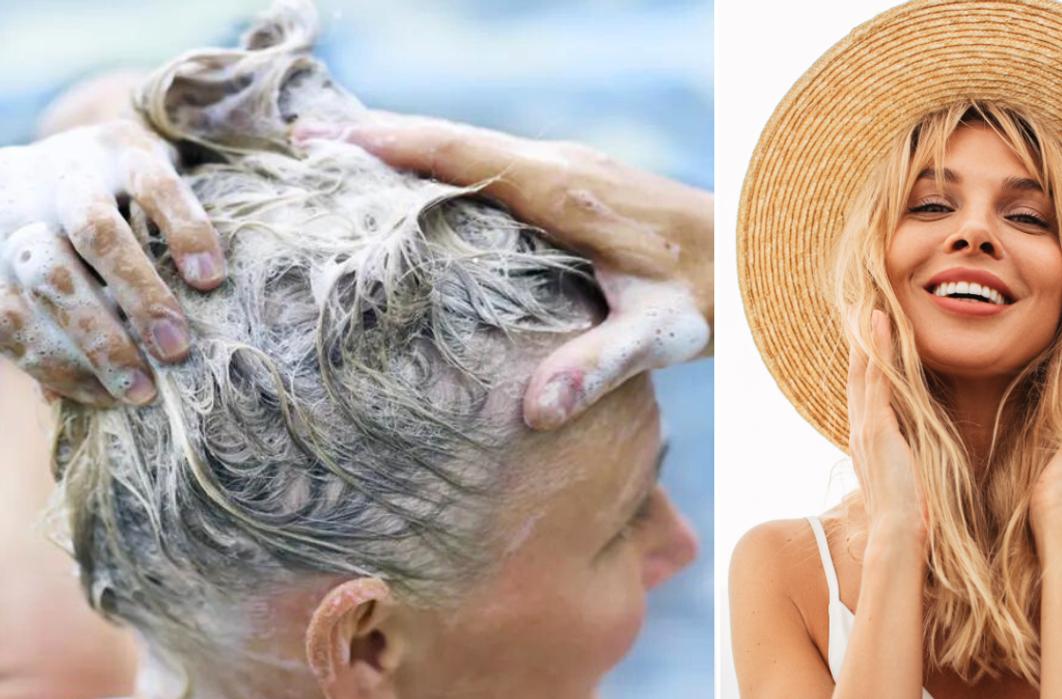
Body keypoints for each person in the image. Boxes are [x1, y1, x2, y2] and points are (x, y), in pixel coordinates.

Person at [0, 2, 712, 697]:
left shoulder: (56, 661)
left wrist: (120, 132)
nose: (682, 546)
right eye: (620, 526)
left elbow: (93, 112)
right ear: (367, 641)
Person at [730, 2, 1062, 698]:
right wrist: (894, 536)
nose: (973, 231)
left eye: (1027, 216)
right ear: (876, 272)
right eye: (931, 206)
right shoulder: (783, 570)